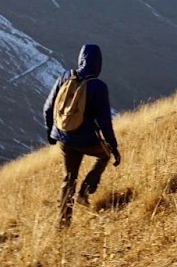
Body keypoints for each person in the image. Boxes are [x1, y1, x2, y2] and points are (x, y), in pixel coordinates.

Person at [42, 43, 121, 226]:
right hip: (86, 138)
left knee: (69, 178)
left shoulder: (65, 77)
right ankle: (84, 192)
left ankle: (63, 224)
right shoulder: (98, 86)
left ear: (80, 59)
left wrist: (50, 132)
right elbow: (104, 122)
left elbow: (48, 107)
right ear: (98, 63)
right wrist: (113, 147)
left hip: (63, 136)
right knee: (104, 155)